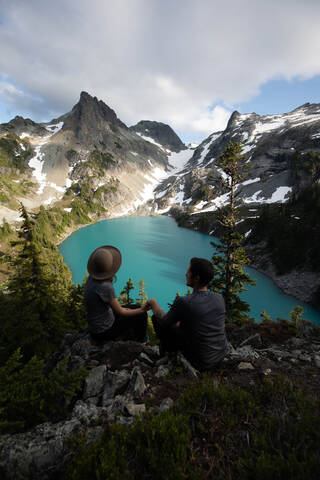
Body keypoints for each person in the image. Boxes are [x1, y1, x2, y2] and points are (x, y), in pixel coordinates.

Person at [146, 257, 227, 371]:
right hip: (219, 355)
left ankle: (166, 355)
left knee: (157, 319)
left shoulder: (185, 302)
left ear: (197, 278)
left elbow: (164, 322)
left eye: (188, 271)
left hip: (199, 362)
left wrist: (153, 303)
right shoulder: (219, 298)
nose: (186, 274)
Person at [84, 245, 148, 343]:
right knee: (142, 314)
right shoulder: (105, 286)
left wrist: (126, 309)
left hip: (96, 326)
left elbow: (117, 308)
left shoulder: (91, 278)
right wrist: (143, 309)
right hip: (103, 331)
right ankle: (141, 342)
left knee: (136, 307)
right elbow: (120, 312)